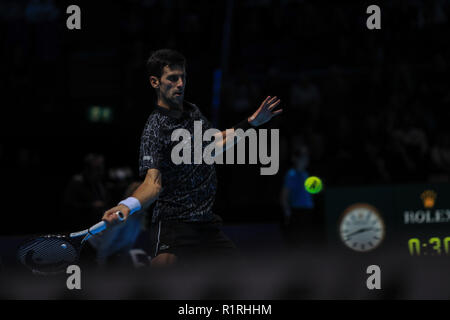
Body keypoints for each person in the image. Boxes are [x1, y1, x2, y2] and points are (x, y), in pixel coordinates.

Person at [102, 49, 282, 266]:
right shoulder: (155, 129)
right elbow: (152, 184)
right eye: (172, 78)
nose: (180, 83)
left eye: (183, 77)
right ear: (155, 82)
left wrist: (251, 123)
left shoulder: (193, 112)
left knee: (238, 278)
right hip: (173, 225)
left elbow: (213, 145)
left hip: (206, 224)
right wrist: (126, 206)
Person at [280, 144, 315, 249]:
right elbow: (283, 196)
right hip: (297, 212)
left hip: (308, 211)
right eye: (302, 156)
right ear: (294, 158)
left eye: (307, 156)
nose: (305, 159)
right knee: (297, 243)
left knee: (308, 242)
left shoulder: (306, 174)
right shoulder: (291, 174)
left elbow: (308, 194)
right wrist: (287, 213)